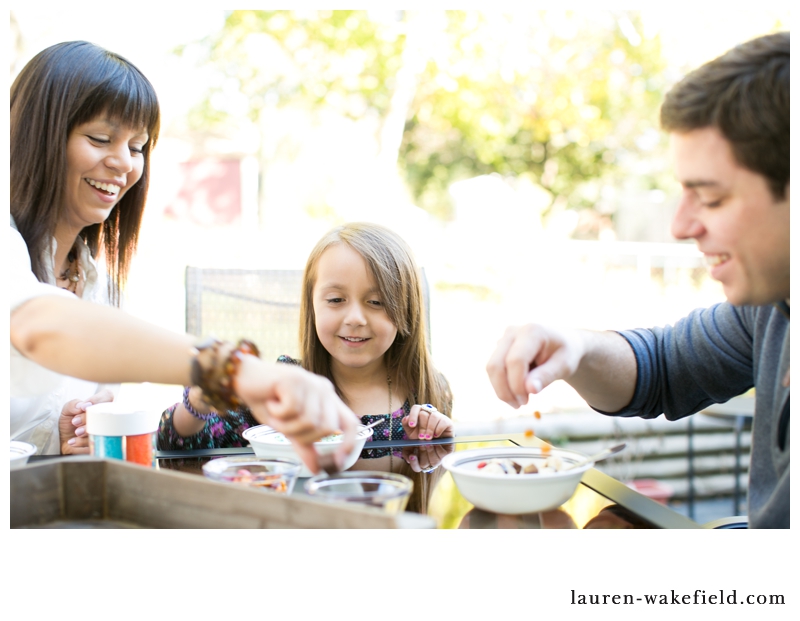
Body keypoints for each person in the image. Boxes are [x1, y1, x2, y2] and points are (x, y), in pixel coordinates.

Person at [485, 32, 789, 529]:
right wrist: (575, 347)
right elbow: (666, 368)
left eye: (710, 198)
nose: (680, 226)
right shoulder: (772, 307)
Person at [10, 41, 358, 472]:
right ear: (36, 134)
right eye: (101, 138)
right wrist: (233, 370)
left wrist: (67, 432)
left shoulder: (94, 276)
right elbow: (36, 324)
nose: (124, 163)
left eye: (137, 147)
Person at [158, 222, 455, 508]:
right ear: (312, 305)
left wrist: (431, 443)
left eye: (376, 302)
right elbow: (179, 450)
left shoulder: (427, 389)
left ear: (408, 307)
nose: (355, 318)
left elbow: (432, 489)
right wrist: (201, 396)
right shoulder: (287, 386)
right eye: (336, 299)